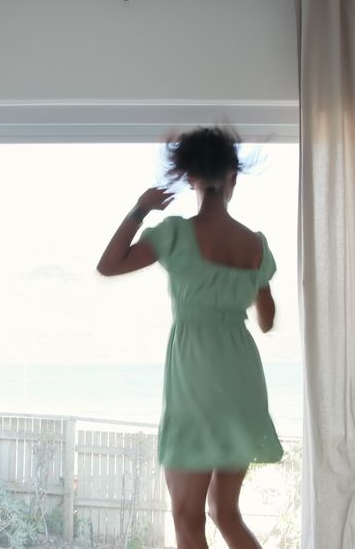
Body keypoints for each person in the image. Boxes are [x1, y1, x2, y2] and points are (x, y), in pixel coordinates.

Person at [96, 126, 283, 549]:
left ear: (189, 179)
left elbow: (109, 265)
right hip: (240, 378)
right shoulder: (254, 244)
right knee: (226, 512)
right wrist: (249, 283)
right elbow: (267, 321)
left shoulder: (176, 234)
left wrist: (140, 210)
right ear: (233, 177)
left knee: (187, 516)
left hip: (195, 377)